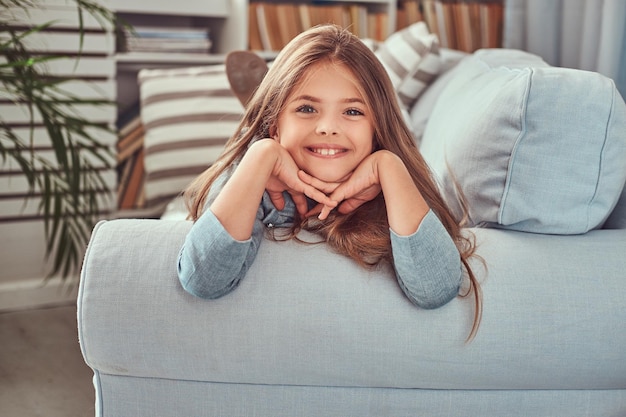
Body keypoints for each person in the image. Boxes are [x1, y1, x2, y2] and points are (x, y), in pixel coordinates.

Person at [177, 24, 482, 341]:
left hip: (368, 142)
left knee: (389, 127)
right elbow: (203, 278)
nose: (327, 127)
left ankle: (298, 106)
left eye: (352, 110)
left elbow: (437, 288)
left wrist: (390, 167)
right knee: (259, 140)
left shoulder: (393, 178)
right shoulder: (254, 172)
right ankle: (263, 121)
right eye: (307, 108)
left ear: (376, 130)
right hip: (276, 139)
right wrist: (260, 155)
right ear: (276, 127)